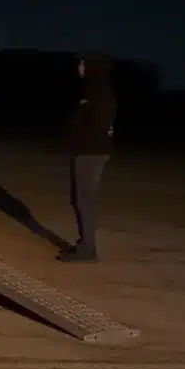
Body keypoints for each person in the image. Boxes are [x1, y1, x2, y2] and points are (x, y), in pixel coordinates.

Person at [60, 52, 117, 262]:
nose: (80, 66)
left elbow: (98, 124)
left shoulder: (100, 91)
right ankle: (85, 243)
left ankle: (87, 249)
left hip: (91, 152)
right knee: (81, 199)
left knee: (84, 200)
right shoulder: (94, 89)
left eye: (83, 62)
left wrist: (81, 139)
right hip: (87, 151)